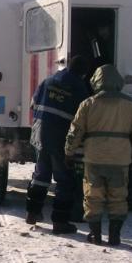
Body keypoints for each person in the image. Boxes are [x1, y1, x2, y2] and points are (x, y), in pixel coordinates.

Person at [64, 64, 132, 245]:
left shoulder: (88, 104)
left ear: (96, 81)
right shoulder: (131, 105)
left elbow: (75, 131)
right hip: (120, 158)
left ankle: (95, 234)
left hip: (94, 158)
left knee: (93, 196)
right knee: (118, 197)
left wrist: (69, 152)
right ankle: (115, 235)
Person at [26, 56, 93, 234]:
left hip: (40, 133)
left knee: (41, 174)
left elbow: (33, 104)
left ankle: (32, 212)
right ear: (83, 73)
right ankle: (60, 222)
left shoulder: (48, 80)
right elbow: (83, 117)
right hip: (60, 137)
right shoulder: (79, 87)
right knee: (64, 179)